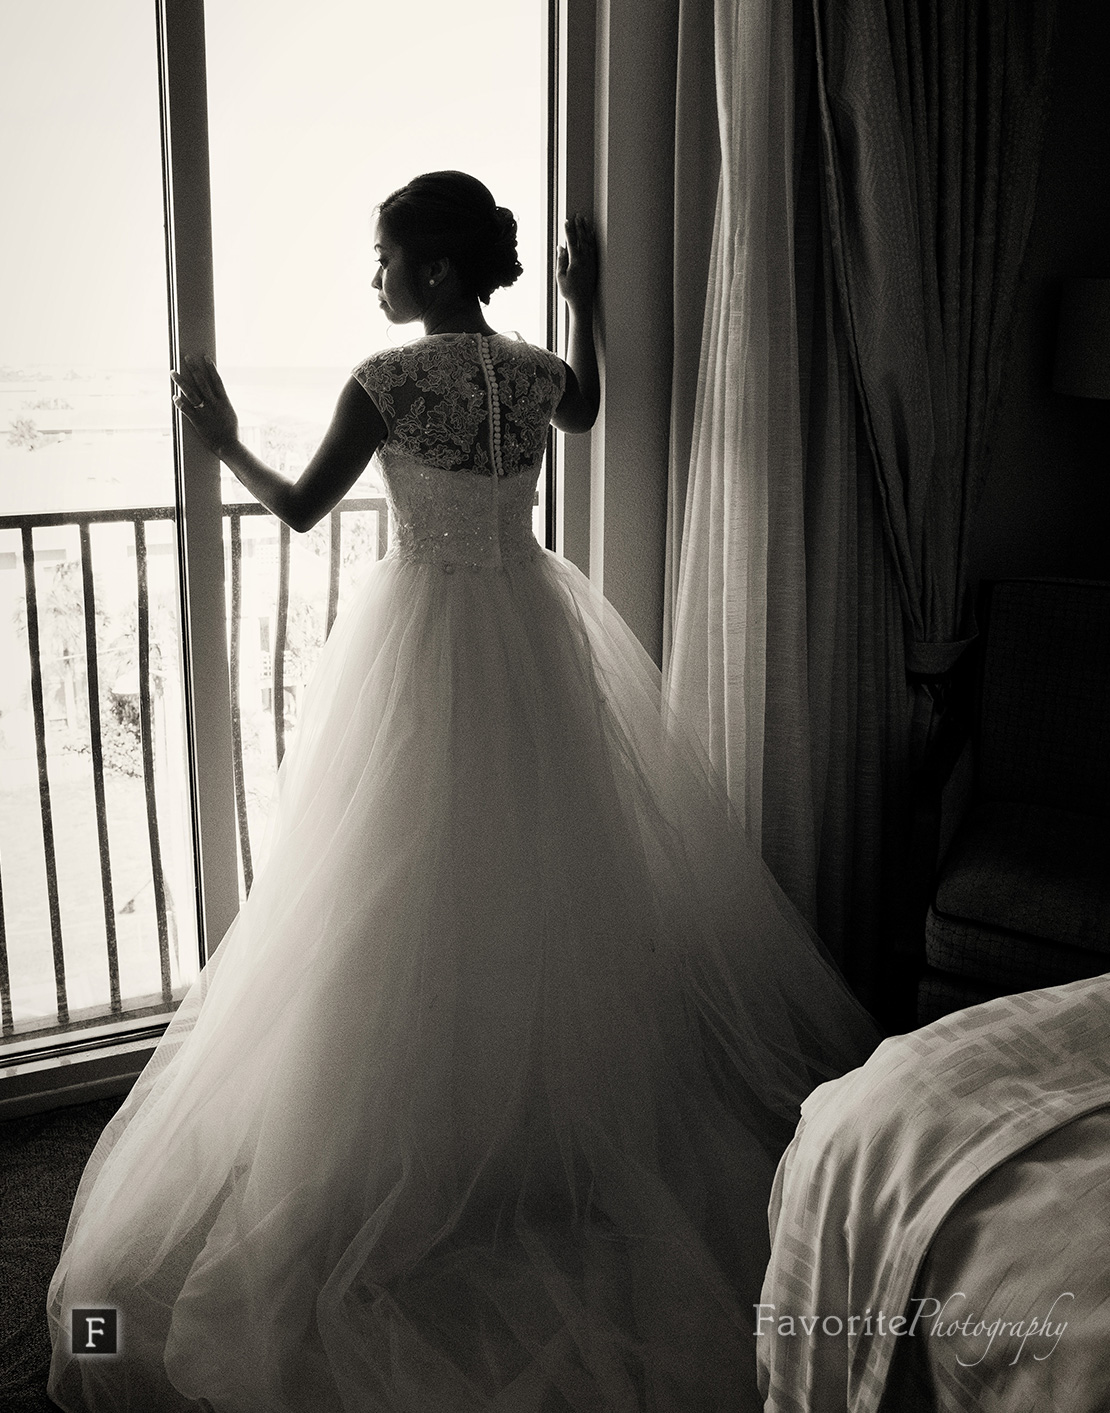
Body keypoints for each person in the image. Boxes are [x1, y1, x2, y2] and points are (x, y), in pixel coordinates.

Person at [47, 170, 878, 1413]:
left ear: (433, 272)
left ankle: (410, 1141)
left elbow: (300, 509)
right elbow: (589, 407)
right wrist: (585, 304)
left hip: (428, 636)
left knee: (399, 889)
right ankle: (525, 1122)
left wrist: (219, 442)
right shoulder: (535, 372)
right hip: (534, 631)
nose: (371, 276)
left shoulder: (387, 383)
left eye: (382, 256)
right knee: (534, 879)